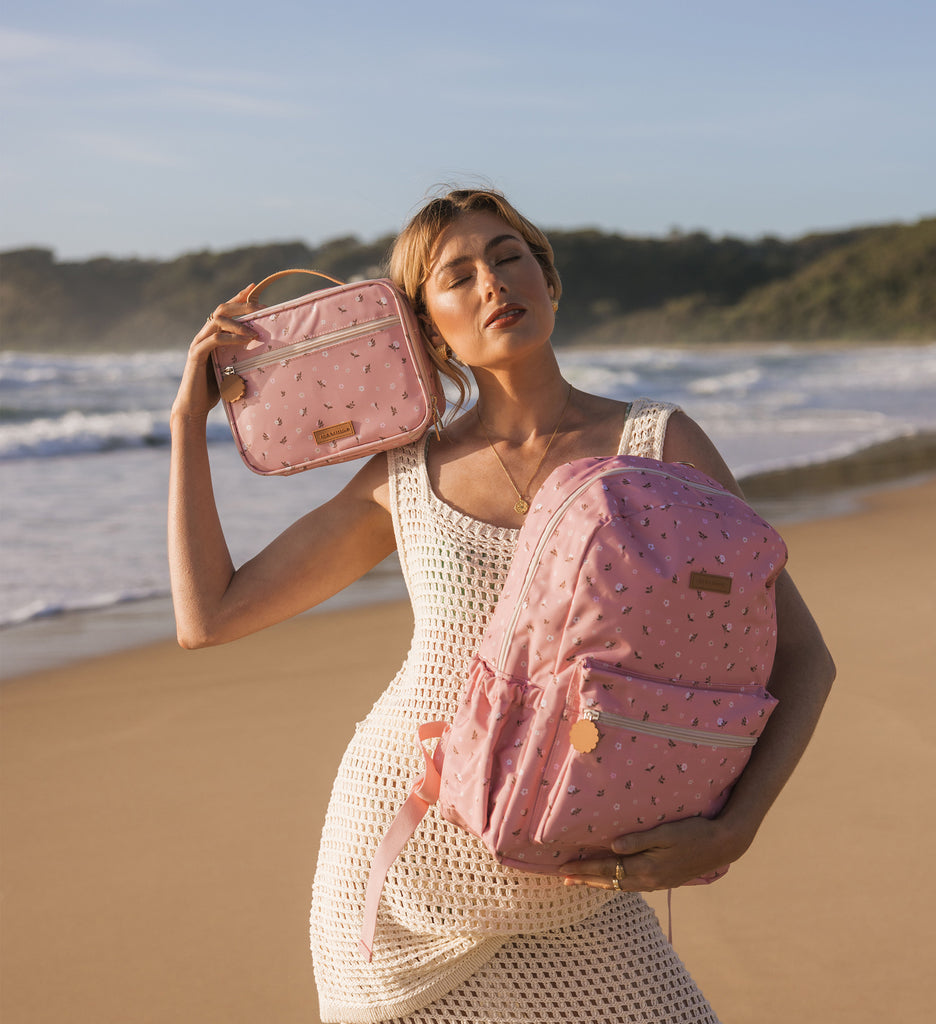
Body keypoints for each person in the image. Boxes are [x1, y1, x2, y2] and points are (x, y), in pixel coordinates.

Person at [169, 188, 835, 1022]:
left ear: (549, 281)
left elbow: (803, 657)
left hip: (576, 881)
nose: (492, 282)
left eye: (509, 256)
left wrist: (739, 826)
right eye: (458, 275)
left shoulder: (658, 448)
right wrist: (184, 428)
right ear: (425, 324)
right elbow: (210, 617)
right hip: (400, 893)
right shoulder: (405, 476)